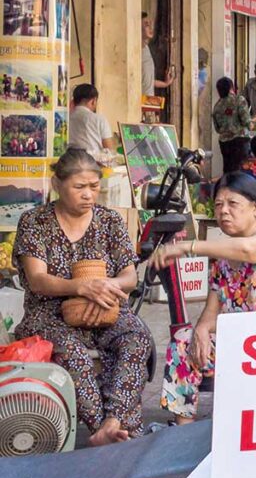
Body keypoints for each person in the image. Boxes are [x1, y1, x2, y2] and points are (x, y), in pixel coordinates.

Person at [13, 150, 154, 445]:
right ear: (57, 184)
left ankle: (113, 422)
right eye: (79, 187)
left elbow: (130, 277)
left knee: (136, 338)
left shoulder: (109, 221)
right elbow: (38, 280)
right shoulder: (35, 221)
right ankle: (106, 428)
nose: (88, 194)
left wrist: (104, 288)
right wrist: (80, 288)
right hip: (49, 314)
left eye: (94, 186)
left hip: (106, 308)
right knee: (73, 353)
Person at [153, 172, 256, 424]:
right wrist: (202, 328)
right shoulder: (222, 258)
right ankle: (182, 431)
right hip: (244, 344)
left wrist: (187, 246)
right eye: (219, 205)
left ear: (255, 208)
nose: (224, 211)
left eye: (233, 204)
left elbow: (247, 249)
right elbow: (211, 312)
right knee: (183, 340)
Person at [212, 77, 253, 174]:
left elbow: (217, 129)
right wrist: (251, 124)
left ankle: (227, 188)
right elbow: (246, 120)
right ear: (232, 87)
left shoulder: (217, 106)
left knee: (228, 171)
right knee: (242, 171)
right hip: (240, 141)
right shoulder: (239, 100)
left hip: (225, 143)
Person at [68, 83, 117, 154]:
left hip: (71, 162)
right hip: (94, 163)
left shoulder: (66, 118)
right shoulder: (99, 119)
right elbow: (109, 149)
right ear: (94, 101)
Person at [141, 12, 176, 97]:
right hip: (139, 103)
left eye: (150, 24)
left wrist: (165, 84)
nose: (151, 28)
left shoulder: (146, 49)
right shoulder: (134, 53)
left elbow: (147, 81)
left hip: (149, 102)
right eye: (146, 25)